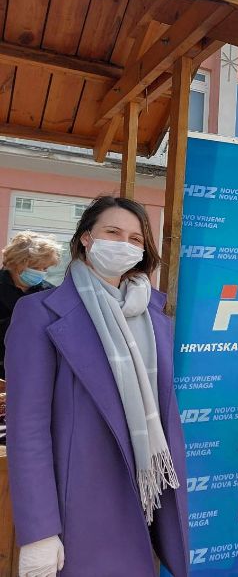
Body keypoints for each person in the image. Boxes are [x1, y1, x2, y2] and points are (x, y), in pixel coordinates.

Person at [5, 196, 188, 577]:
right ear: (87, 238)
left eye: (136, 239)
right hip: (81, 507)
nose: (125, 244)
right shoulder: (39, 313)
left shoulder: (155, 316)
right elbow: (28, 429)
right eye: (113, 232)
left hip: (145, 500)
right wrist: (40, 530)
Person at [0, 231, 61, 379]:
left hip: (32, 372)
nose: (41, 273)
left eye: (45, 268)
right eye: (35, 267)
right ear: (16, 262)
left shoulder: (49, 293)